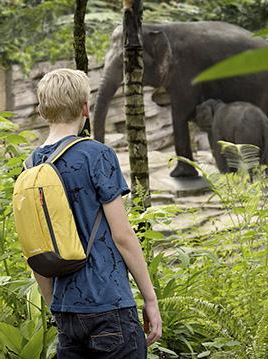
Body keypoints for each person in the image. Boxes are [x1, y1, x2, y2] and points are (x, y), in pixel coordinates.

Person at [29, 68, 162, 358]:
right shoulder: (97, 155)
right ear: (86, 109)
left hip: (66, 311)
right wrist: (150, 299)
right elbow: (123, 236)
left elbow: (35, 246)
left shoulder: (31, 165)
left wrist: (55, 305)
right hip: (109, 305)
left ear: (41, 111)